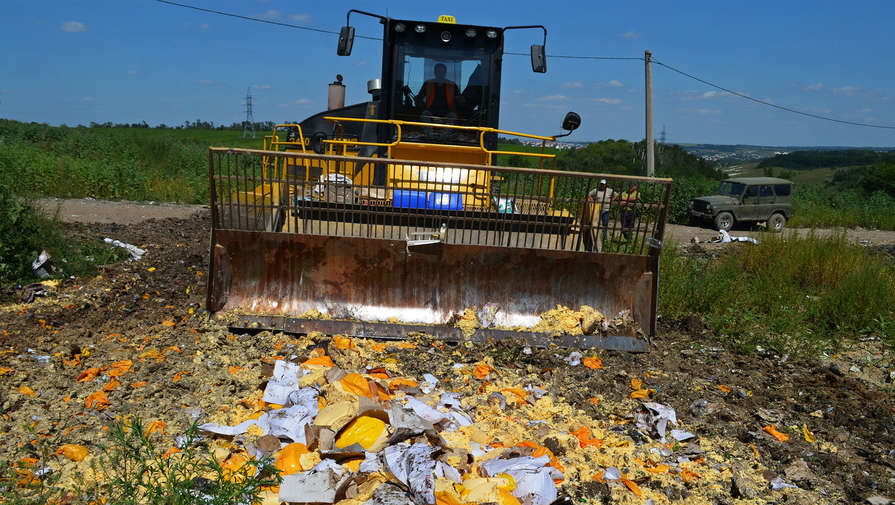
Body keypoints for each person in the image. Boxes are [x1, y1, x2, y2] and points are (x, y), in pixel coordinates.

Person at [583, 179, 616, 252]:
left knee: (605, 224)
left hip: (606, 209)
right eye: (601, 184)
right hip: (597, 209)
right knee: (595, 223)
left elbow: (616, 195)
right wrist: (592, 200)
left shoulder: (609, 190)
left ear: (606, 185)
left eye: (603, 184)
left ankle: (605, 238)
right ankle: (595, 237)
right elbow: (588, 194)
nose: (602, 185)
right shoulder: (596, 190)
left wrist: (612, 200)